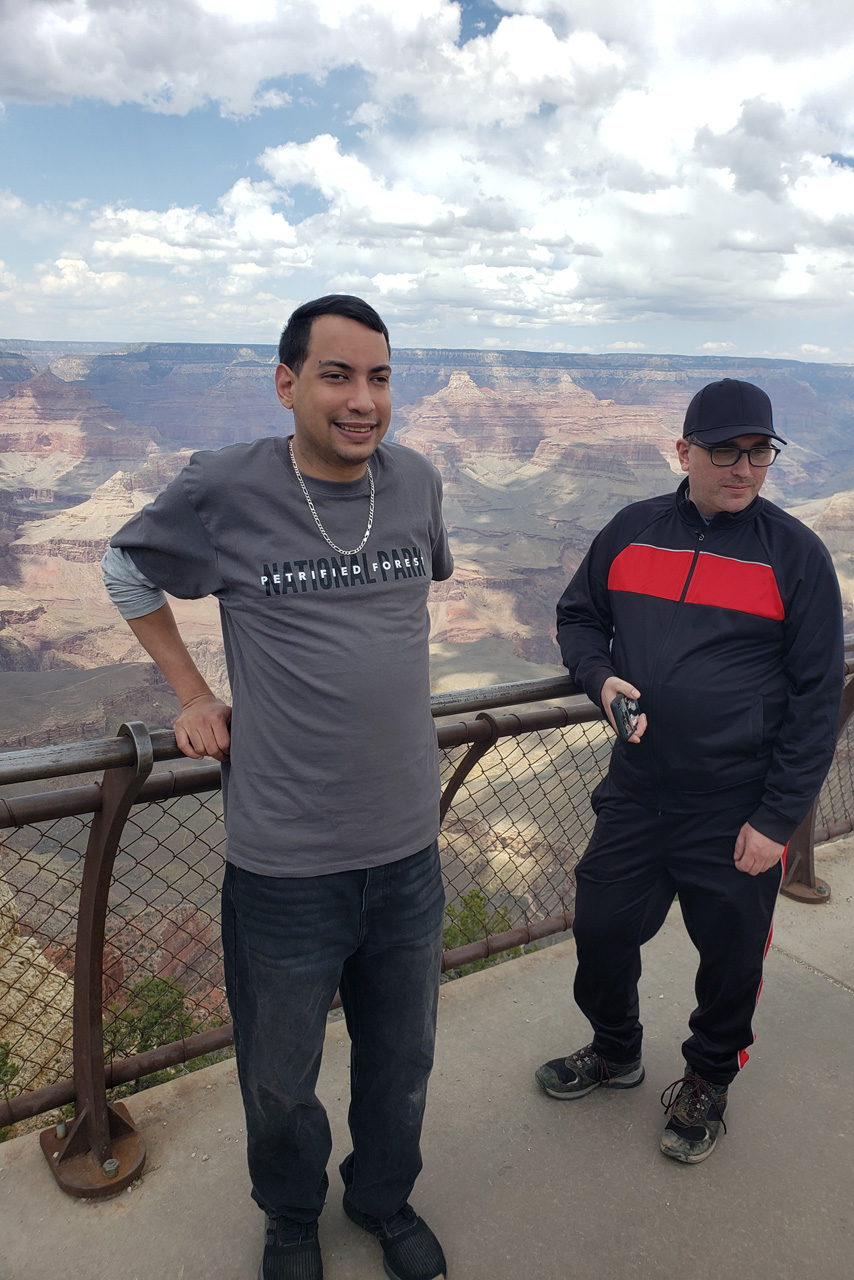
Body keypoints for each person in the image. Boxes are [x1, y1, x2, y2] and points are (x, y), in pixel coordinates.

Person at [101, 295, 452, 1280]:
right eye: (338, 374)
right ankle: (291, 1215)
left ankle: (384, 1198)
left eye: (380, 376)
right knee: (280, 1075)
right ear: (288, 382)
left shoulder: (418, 480)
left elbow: (409, 604)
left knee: (402, 1060)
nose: (363, 399)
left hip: (407, 849)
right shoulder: (228, 484)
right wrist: (193, 691)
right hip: (285, 863)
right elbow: (123, 565)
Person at [535, 378, 844, 1164]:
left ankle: (708, 1079)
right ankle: (615, 1048)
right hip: (638, 790)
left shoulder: (796, 556)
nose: (744, 468)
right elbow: (577, 617)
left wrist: (776, 821)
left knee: (733, 955)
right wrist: (600, 678)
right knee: (601, 926)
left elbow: (816, 702)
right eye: (725, 451)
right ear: (684, 451)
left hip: (735, 803)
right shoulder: (632, 531)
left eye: (760, 452)